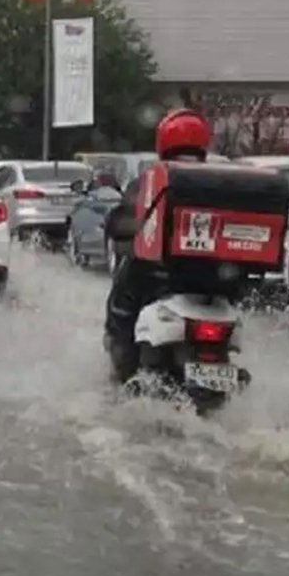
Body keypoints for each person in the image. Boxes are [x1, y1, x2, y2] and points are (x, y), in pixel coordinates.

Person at [102, 108, 213, 382]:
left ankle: (124, 373)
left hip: (158, 279)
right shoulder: (222, 181)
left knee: (121, 309)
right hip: (213, 281)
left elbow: (120, 225)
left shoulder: (152, 182)